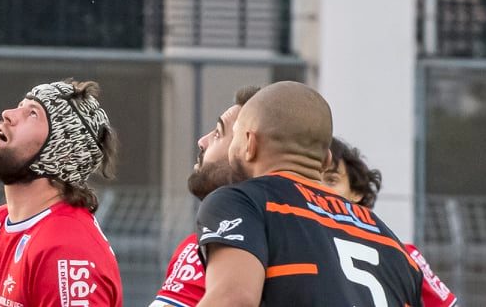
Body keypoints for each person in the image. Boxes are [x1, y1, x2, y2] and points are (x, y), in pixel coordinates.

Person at [197, 83, 420, 307]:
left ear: (249, 144)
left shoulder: (243, 202)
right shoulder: (393, 245)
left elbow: (233, 300)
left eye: (235, 135)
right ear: (326, 160)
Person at [0, 80, 123, 307]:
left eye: (33, 114)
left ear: (62, 153)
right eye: (19, 106)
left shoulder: (68, 251)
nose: (8, 114)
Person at [151, 87, 262, 307]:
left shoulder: (233, 246)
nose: (202, 141)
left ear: (248, 149)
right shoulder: (195, 244)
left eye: (218, 133)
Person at [323, 139, 457, 307]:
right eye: (313, 179)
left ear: (356, 192)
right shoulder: (293, 248)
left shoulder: (405, 255)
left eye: (331, 180)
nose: (320, 188)